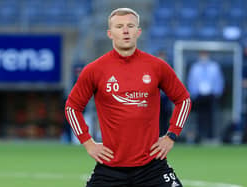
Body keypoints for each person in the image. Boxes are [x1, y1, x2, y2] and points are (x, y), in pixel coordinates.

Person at [65, 8, 191, 187]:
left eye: (130, 26)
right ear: (110, 33)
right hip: (110, 169)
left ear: (138, 32)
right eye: (119, 26)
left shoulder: (157, 67)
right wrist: (88, 142)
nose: (125, 31)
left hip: (152, 167)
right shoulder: (94, 70)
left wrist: (171, 135)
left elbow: (183, 100)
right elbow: (72, 107)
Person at [187, 50, 224, 143]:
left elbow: (219, 80)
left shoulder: (214, 66)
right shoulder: (195, 67)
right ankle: (200, 136)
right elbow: (191, 81)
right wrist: (193, 94)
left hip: (211, 95)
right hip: (199, 96)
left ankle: (210, 136)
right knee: (199, 117)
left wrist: (217, 93)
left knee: (211, 116)